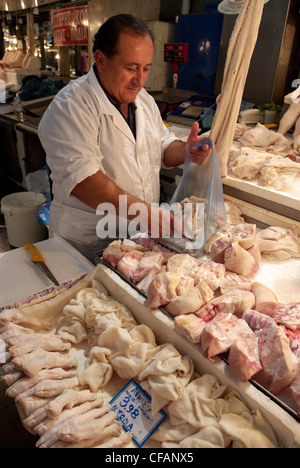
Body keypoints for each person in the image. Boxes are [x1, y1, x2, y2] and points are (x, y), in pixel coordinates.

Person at [38, 14, 211, 262]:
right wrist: (147, 214)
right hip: (86, 243)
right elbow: (83, 180)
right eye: (130, 68)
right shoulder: (71, 106)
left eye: (146, 68)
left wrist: (187, 151)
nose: (139, 79)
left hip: (134, 239)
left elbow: (162, 146)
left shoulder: (143, 100)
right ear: (101, 60)